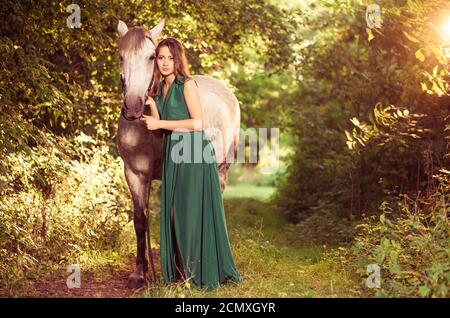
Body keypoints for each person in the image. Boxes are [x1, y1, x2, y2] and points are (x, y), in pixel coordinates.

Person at [140, 37, 241, 290]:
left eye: (169, 58)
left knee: (190, 212)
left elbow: (198, 123)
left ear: (177, 60)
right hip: (175, 153)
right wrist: (153, 109)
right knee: (175, 214)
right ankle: (183, 272)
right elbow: (159, 132)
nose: (164, 63)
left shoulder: (187, 85)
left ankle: (198, 272)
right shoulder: (161, 89)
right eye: (160, 58)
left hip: (195, 152)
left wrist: (160, 122)